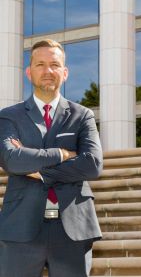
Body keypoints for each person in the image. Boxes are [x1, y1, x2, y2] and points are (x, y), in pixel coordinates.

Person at [0, 39, 103, 277]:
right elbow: (12, 159)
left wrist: (41, 172)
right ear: (29, 72)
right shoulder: (8, 117)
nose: (48, 71)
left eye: (55, 65)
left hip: (73, 227)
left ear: (64, 73)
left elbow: (93, 165)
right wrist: (62, 154)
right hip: (20, 227)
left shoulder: (82, 116)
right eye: (41, 64)